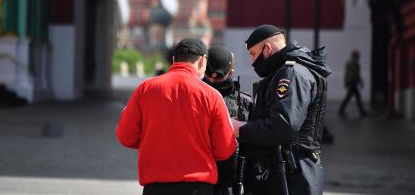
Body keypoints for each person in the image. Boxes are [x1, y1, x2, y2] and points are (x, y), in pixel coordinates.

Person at [116, 37, 237, 195]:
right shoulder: (212, 95)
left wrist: (152, 141)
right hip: (198, 188)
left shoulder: (145, 89)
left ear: (174, 60)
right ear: (203, 61)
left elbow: (125, 136)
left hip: (156, 187)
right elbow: (225, 149)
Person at [231, 24, 331, 195]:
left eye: (254, 54)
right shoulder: (285, 72)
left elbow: (282, 125)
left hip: (292, 174)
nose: (252, 61)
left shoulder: (291, 74)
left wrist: (240, 128)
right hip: (287, 170)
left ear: (267, 48)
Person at [202, 45, 253, 195]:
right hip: (200, 179)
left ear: (231, 73)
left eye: (217, 77)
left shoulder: (244, 102)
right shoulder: (193, 97)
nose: (211, 80)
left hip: (232, 181)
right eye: (207, 75)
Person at [338, 50, 367, 117]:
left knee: (350, 97)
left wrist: (346, 82)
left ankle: (341, 110)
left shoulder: (353, 64)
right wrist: (360, 82)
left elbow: (349, 74)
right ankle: (361, 111)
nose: (357, 58)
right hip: (352, 82)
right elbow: (353, 74)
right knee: (355, 97)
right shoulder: (353, 64)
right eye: (357, 56)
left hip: (352, 82)